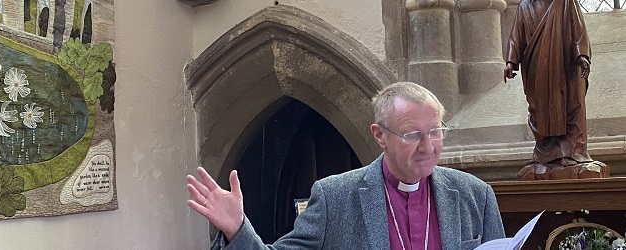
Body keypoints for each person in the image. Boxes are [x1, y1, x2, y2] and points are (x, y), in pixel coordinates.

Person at [186, 82, 505, 249]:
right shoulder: (334, 198)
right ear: (380, 135)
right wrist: (236, 230)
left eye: (436, 132)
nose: (428, 146)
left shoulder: (475, 196)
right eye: (412, 134)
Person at [503, 0, 595, 169]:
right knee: (541, 110)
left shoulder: (566, 2)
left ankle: (573, 152)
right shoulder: (525, 6)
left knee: (571, 106)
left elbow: (578, 30)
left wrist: (581, 55)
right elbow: (516, 36)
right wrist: (511, 61)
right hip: (537, 69)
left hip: (565, 66)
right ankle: (546, 153)